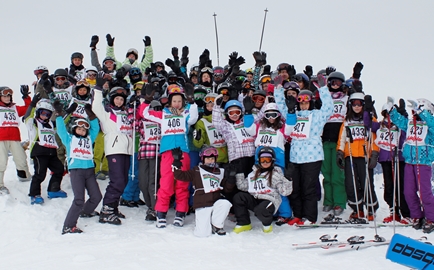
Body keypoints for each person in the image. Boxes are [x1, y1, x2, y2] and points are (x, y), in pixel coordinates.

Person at [140, 83, 198, 228]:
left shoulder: (186, 113)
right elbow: (145, 114)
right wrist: (147, 99)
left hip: (183, 152)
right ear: (170, 102)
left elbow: (193, 118)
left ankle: (180, 213)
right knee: (166, 184)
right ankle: (161, 213)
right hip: (167, 153)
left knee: (182, 184)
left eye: (180, 101)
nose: (177, 104)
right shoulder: (163, 114)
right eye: (174, 101)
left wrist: (192, 101)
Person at [285, 75, 333, 225]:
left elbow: (329, 107)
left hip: (312, 156)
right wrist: (279, 90)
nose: (304, 105)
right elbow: (282, 107)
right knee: (296, 188)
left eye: (307, 102)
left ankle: (310, 217)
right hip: (295, 156)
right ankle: (298, 214)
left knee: (309, 188)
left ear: (311, 102)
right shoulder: (294, 114)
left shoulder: (317, 115)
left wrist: (323, 88)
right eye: (302, 103)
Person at [92, 74, 133, 225]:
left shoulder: (126, 114)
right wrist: (98, 88)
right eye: (117, 98)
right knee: (117, 181)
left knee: (124, 180)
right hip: (114, 149)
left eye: (122, 99)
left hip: (126, 150)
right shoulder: (108, 113)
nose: (119, 101)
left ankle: (113, 207)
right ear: (112, 99)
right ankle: (106, 210)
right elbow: (95, 107)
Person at [389, 98, 434, 233]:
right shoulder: (410, 123)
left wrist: (423, 112)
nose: (415, 113)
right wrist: (392, 111)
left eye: (418, 110)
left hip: (423, 162)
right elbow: (400, 121)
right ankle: (417, 216)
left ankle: (431, 218)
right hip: (409, 162)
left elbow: (432, 124)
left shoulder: (430, 124)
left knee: (425, 193)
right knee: (408, 191)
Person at [364, 97, 410, 224]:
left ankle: (406, 213)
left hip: (398, 159)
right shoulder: (380, 126)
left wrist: (403, 114)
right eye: (386, 114)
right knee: (388, 187)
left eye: (390, 114)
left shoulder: (399, 127)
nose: (388, 117)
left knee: (400, 186)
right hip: (385, 159)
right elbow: (367, 124)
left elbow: (407, 129)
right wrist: (367, 111)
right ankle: (393, 211)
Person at [56, 106, 102, 234]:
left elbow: (96, 128)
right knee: (79, 199)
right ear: (74, 129)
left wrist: (91, 116)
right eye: (79, 129)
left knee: (96, 196)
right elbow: (60, 130)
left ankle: (85, 211)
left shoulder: (89, 139)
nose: (81, 131)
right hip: (77, 171)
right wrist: (59, 115)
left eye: (84, 129)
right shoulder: (69, 139)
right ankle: (68, 226)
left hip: (89, 170)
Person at [336, 91, 379, 221]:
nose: (356, 107)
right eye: (354, 104)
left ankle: (371, 209)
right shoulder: (347, 121)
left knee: (367, 183)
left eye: (359, 104)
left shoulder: (370, 120)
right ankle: (357, 209)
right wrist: (340, 152)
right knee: (351, 184)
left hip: (365, 155)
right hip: (350, 155)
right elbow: (342, 138)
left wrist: (374, 154)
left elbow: (375, 137)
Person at [173, 146, 234, 237]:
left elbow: (227, 189)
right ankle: (203, 222)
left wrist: (231, 179)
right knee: (202, 234)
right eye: (208, 158)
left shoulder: (219, 171)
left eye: (212, 158)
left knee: (225, 203)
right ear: (203, 159)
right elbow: (180, 176)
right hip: (202, 203)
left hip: (216, 202)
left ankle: (217, 225)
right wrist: (177, 163)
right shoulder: (197, 170)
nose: (210, 161)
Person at [232, 147, 293, 233]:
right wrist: (239, 172)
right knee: (239, 197)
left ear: (272, 161)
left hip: (270, 200)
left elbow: (285, 192)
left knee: (260, 210)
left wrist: (288, 179)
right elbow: (242, 186)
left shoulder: (275, 174)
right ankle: (244, 223)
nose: (264, 162)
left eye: (267, 160)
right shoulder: (254, 173)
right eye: (262, 159)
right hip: (256, 198)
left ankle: (267, 225)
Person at [25, 98, 65, 204]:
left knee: (59, 169)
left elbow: (62, 121)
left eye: (48, 114)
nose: (45, 116)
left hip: (51, 152)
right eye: (43, 113)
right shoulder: (33, 123)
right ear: (38, 112)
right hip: (39, 152)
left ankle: (54, 189)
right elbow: (27, 116)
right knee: (40, 173)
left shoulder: (52, 124)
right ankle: (34, 194)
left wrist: (62, 111)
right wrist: (32, 104)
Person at [320, 72, 348, 216]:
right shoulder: (324, 98)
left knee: (337, 173)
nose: (335, 85)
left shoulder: (346, 99)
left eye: (338, 83)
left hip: (339, 139)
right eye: (332, 83)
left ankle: (339, 202)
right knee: (327, 172)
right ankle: (328, 201)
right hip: (325, 139)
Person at [0, 86, 32, 195]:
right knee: (1, 161)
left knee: (21, 158)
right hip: (1, 139)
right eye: (4, 96)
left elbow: (29, 108)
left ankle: (24, 176)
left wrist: (26, 96)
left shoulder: (14, 108)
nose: (7, 98)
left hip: (14, 138)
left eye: (8, 95)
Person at [138, 99, 162, 221]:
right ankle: (149, 204)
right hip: (143, 153)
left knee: (153, 182)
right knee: (143, 182)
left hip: (156, 154)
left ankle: (154, 208)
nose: (155, 112)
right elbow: (133, 123)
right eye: (152, 109)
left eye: (157, 109)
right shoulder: (142, 121)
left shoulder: (161, 122)